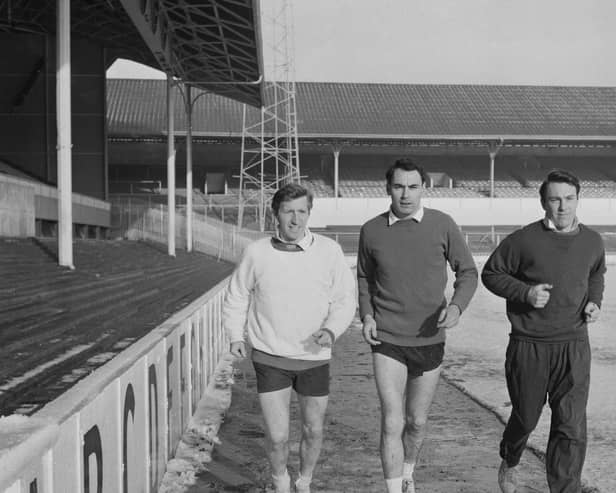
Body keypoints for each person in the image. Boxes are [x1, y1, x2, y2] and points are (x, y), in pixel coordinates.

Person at [222, 183, 356, 493]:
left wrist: (332, 329)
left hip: (314, 358)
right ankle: (280, 482)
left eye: (301, 212)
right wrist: (234, 334)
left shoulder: (329, 251)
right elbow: (237, 296)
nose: (295, 220)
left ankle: (305, 481)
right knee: (278, 434)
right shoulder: (256, 252)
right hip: (270, 357)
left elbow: (345, 299)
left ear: (309, 213)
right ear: (275, 215)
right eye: (288, 212)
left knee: (313, 429)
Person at [357, 158, 478, 493]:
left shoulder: (443, 224)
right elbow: (365, 277)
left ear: (424, 188)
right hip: (388, 338)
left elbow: (467, 272)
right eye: (398, 187)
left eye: (412, 187)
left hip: (429, 338)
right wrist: (367, 314)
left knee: (416, 421)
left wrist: (456, 307)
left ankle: (408, 472)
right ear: (388, 189)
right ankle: (394, 489)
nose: (405, 195)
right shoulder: (371, 230)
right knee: (392, 419)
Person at [481, 169, 606, 493]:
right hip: (529, 345)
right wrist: (526, 293)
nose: (562, 207)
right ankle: (510, 456)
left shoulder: (592, 240)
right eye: (555, 199)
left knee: (570, 425)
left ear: (578, 199)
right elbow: (492, 273)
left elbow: (596, 273)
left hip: (574, 345)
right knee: (526, 417)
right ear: (543, 203)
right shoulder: (523, 240)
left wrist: (594, 301)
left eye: (569, 199)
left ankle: (564, 489)